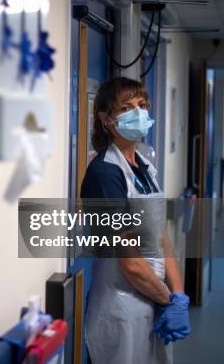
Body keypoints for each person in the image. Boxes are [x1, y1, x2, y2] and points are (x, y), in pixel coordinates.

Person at [81, 77, 190, 364]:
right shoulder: (105, 174)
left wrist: (178, 295)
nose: (139, 113)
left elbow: (161, 237)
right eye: (127, 108)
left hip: (153, 297)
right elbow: (130, 262)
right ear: (106, 118)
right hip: (122, 306)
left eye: (142, 105)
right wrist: (169, 301)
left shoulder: (144, 166)